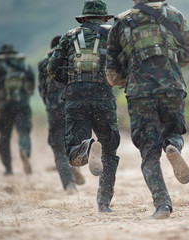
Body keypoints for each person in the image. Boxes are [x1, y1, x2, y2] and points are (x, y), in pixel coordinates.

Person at [106, 0, 189, 219]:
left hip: (140, 93)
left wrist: (130, 76)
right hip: (172, 88)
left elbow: (112, 74)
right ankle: (173, 146)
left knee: (149, 153)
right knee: (174, 131)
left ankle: (162, 205)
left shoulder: (121, 22)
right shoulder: (175, 15)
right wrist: (167, 65)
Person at [47, 0, 120, 212]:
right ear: (105, 18)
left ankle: (85, 147)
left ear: (84, 18)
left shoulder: (69, 36)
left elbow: (52, 68)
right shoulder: (112, 35)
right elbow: (122, 65)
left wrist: (71, 81)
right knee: (110, 151)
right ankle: (104, 203)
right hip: (104, 98)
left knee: (73, 153)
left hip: (75, 99)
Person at [38, 36, 85, 195]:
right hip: (72, 106)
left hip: (53, 109)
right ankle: (73, 164)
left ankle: (69, 186)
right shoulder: (74, 60)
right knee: (75, 140)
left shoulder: (43, 63)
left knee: (58, 148)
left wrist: (50, 106)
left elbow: (42, 90)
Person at [0, 44, 35, 176]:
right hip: (23, 106)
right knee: (23, 132)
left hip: (5, 107)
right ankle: (24, 151)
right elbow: (32, 85)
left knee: (4, 137)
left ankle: (8, 168)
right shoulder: (24, 64)